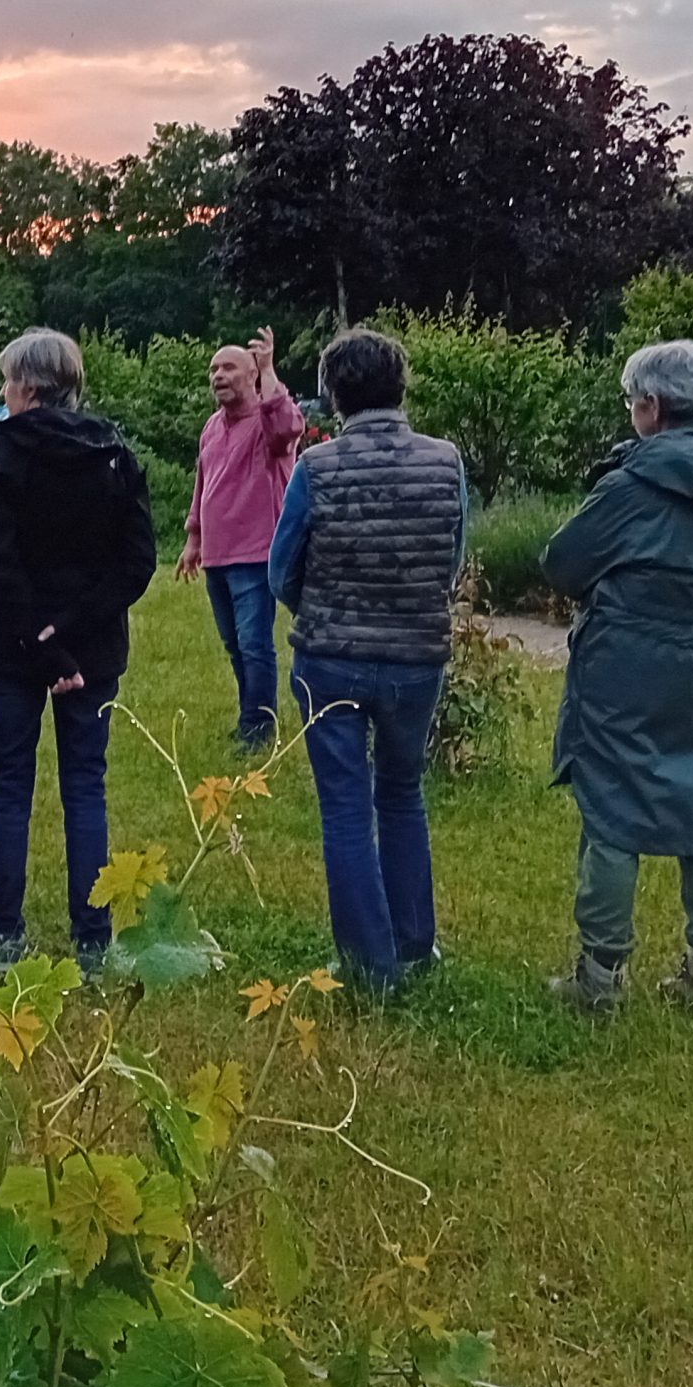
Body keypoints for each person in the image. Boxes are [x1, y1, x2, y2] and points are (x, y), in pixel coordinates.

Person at [542, 340, 693, 1013]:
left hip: (627, 664)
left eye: (633, 400)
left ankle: (600, 978)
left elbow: (562, 563)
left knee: (613, 809)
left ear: (652, 407)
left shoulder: (630, 487)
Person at [267, 328, 466, 991]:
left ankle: (366, 965)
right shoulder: (446, 461)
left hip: (332, 656)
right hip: (417, 657)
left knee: (347, 809)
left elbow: (279, 571)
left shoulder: (317, 468)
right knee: (403, 793)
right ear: (401, 385)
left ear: (332, 395)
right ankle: (414, 944)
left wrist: (317, 607)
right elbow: (453, 559)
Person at [0, 329, 158, 978]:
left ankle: (4, 938)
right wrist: (75, 631)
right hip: (94, 648)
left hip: (19, 647)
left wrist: (46, 638)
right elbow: (137, 563)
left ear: (26, 386)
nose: (4, 392)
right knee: (85, 787)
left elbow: (3, 561)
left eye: (7, 382)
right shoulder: (114, 456)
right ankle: (92, 939)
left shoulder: (4, 457)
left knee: (12, 788)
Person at [176, 329, 303, 748]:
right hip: (216, 553)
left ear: (251, 376)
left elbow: (288, 425)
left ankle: (258, 730)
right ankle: (251, 718)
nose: (218, 375)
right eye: (213, 369)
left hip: (256, 553)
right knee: (235, 646)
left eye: (229, 367)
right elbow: (203, 483)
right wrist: (193, 538)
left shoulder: (270, 425)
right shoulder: (212, 427)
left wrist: (270, 370)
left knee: (254, 645)